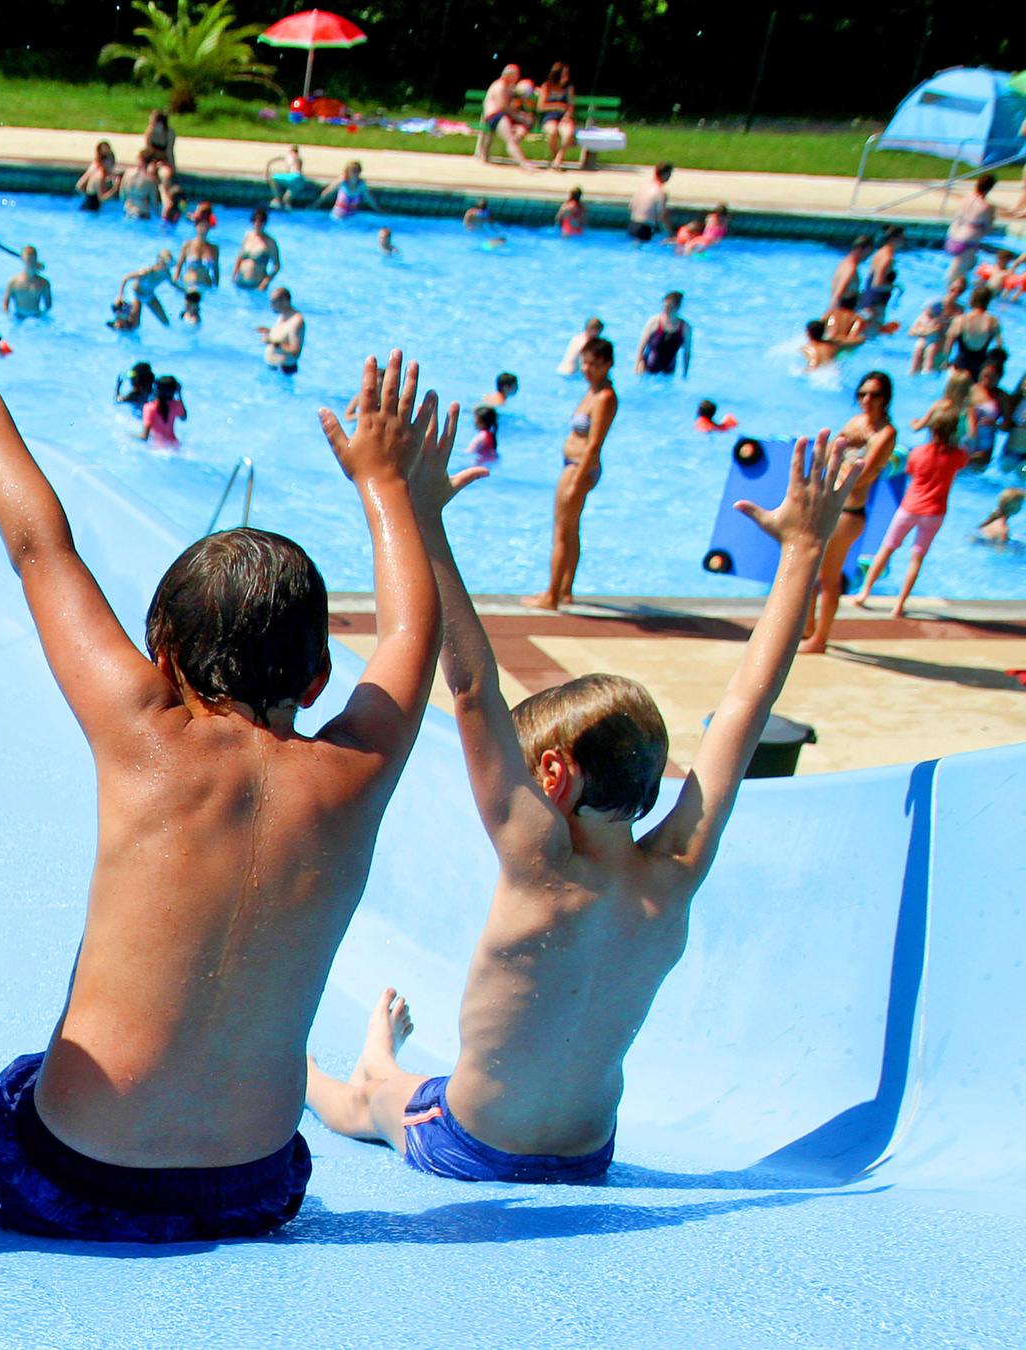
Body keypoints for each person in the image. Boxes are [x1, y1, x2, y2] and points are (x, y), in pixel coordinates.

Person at [0, 275, 448, 1243]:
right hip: (253, 1188)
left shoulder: (143, 730)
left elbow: (39, 550)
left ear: (163, 659)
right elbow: (411, 633)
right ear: (316, 683)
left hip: (65, 1179)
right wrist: (387, 489)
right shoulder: (357, 774)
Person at [307, 420, 856, 1186]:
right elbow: (746, 706)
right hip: (587, 1155)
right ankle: (379, 1055)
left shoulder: (540, 859)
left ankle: (320, 1070)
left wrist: (421, 516)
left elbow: (471, 691)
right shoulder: (676, 869)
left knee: (366, 1103)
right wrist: (802, 551)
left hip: (474, 1146)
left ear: (554, 777)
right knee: (398, 1088)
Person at [801, 371, 897, 653]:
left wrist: (848, 448)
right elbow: (829, 456)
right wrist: (844, 440)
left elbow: (863, 476)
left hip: (849, 513)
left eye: (874, 395)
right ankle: (807, 629)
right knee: (809, 573)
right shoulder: (855, 423)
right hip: (830, 506)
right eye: (862, 393)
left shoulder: (885, 433)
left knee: (828, 579)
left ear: (885, 399)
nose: (867, 400)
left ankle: (820, 639)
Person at [527, 336, 617, 610]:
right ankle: (565, 590)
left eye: (594, 365)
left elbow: (594, 444)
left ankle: (551, 596)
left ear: (608, 365)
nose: (588, 369)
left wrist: (577, 480)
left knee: (561, 531)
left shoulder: (604, 397)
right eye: (585, 363)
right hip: (575, 465)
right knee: (571, 529)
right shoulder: (592, 391)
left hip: (580, 468)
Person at [853, 406, 968, 620]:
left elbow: (911, 472)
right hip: (935, 512)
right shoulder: (958, 456)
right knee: (917, 558)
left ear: (931, 428)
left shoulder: (918, 453)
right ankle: (899, 605)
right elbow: (962, 463)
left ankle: (864, 593)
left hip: (910, 508)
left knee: (886, 550)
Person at [478, 65, 533, 170]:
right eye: (516, 75)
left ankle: (516, 142)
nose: (517, 78)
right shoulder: (500, 86)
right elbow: (502, 107)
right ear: (509, 75)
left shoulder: (509, 86)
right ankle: (523, 163)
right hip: (495, 116)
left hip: (505, 116)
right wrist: (518, 116)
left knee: (527, 121)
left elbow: (520, 95)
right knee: (510, 139)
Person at [947, 174, 998, 282]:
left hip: (952, 236)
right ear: (990, 188)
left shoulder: (965, 199)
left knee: (971, 262)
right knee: (955, 273)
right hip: (968, 241)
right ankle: (949, 292)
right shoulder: (987, 207)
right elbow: (988, 228)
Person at [946, 284, 1002, 377]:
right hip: (979, 368)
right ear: (988, 301)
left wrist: (946, 361)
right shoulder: (993, 322)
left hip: (959, 365)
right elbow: (999, 348)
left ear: (972, 299)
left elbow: (949, 344)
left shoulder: (960, 320)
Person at [117, 250, 180, 329]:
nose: (169, 267)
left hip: (149, 296)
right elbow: (126, 278)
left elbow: (175, 286)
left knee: (166, 322)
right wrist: (120, 295)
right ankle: (120, 323)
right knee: (135, 325)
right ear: (160, 263)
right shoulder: (146, 272)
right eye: (167, 264)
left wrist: (187, 292)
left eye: (170, 264)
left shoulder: (166, 274)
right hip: (137, 295)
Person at [636, 291, 692, 377]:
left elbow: (687, 353)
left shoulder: (685, 328)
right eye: (665, 306)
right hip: (647, 370)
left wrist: (685, 373)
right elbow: (641, 347)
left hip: (668, 373)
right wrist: (637, 366)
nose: (666, 309)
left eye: (669, 307)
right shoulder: (654, 322)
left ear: (677, 307)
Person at [859, 226, 903, 323]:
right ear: (893, 238)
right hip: (875, 306)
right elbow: (877, 284)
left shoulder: (879, 253)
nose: (903, 241)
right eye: (902, 238)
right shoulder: (887, 258)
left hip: (867, 301)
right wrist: (896, 287)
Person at [259, 286, 304, 376]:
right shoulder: (283, 315)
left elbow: (295, 351)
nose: (271, 305)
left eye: (273, 302)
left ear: (284, 301)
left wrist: (273, 342)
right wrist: (269, 332)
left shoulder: (296, 321)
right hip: (274, 369)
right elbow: (284, 335)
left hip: (283, 371)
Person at [232, 207, 280, 291]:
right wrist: (234, 274)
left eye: (260, 221)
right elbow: (240, 256)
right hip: (240, 282)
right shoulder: (247, 236)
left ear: (265, 223)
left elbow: (276, 266)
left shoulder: (270, 242)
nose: (257, 224)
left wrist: (265, 282)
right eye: (255, 220)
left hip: (257, 285)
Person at [540, 62, 576, 167]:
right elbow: (541, 106)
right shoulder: (547, 86)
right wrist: (558, 105)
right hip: (549, 117)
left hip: (563, 117)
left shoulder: (569, 88)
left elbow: (570, 106)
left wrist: (567, 116)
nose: (566, 76)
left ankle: (558, 158)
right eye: (564, 74)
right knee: (552, 132)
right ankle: (555, 156)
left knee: (568, 133)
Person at [175, 207, 219, 289]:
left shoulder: (214, 248)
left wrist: (217, 290)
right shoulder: (187, 245)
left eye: (206, 226)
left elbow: (216, 271)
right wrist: (175, 284)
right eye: (201, 226)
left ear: (209, 228)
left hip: (206, 288)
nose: (203, 229)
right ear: (196, 227)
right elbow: (178, 267)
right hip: (187, 286)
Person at [627, 163, 671, 243]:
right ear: (666, 174)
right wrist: (670, 233)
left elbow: (631, 206)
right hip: (645, 228)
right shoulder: (661, 193)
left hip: (632, 224)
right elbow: (662, 216)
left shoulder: (643, 186)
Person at [137, 374, 186, 447]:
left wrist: (127, 435)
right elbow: (184, 418)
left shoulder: (149, 408)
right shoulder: (175, 405)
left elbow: (144, 437)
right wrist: (179, 394)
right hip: (175, 445)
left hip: (158, 447)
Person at [909, 297, 952, 374]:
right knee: (918, 349)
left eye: (928, 309)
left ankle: (928, 369)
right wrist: (923, 331)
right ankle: (913, 370)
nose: (925, 310)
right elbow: (911, 331)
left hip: (935, 341)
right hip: (924, 339)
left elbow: (945, 333)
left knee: (932, 350)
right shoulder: (922, 317)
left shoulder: (941, 319)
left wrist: (941, 329)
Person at [74, 141, 119, 211]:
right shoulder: (99, 174)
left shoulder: (99, 172)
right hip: (90, 210)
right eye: (111, 162)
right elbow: (102, 199)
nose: (113, 165)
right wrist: (115, 188)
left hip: (87, 207)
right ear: (104, 162)